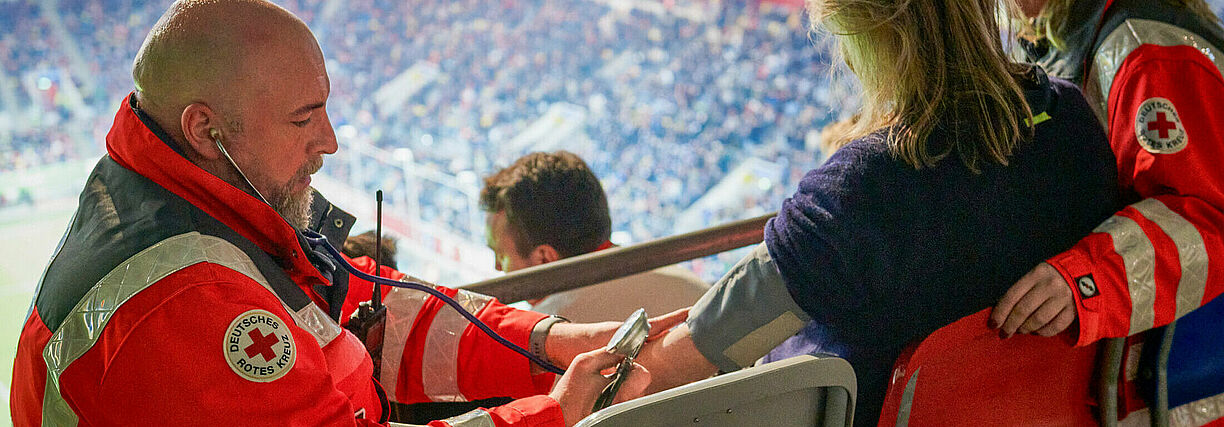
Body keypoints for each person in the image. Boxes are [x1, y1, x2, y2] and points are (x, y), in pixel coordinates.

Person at [8, 1, 682, 426]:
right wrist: (554, 415)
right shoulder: (185, 307)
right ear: (205, 130)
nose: (329, 141)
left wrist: (547, 340)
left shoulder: (204, 196)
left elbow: (368, 303)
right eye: (304, 118)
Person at [635, 0, 1121, 425]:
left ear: (870, 40)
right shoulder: (1074, 122)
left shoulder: (862, 191)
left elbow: (687, 357)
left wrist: (586, 362)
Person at [989, 0, 1224, 349]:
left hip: (1219, 343)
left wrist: (1085, 279)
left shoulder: (1146, 50)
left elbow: (1204, 219)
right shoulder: (1068, 30)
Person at [481, 151, 708, 322]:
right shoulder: (695, 289)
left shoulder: (547, 339)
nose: (497, 268)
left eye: (500, 255)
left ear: (544, 258)